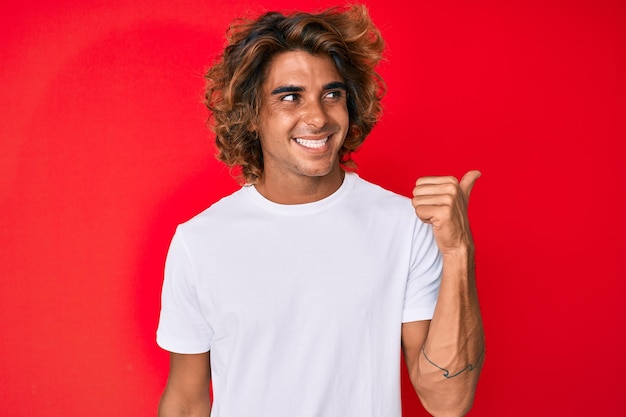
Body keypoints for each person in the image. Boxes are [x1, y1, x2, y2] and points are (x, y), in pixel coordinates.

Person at [156, 4, 484, 417]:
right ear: (252, 114)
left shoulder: (405, 226)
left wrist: (459, 253)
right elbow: (186, 400)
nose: (317, 116)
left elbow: (447, 401)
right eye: (290, 97)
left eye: (332, 94)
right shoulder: (199, 241)